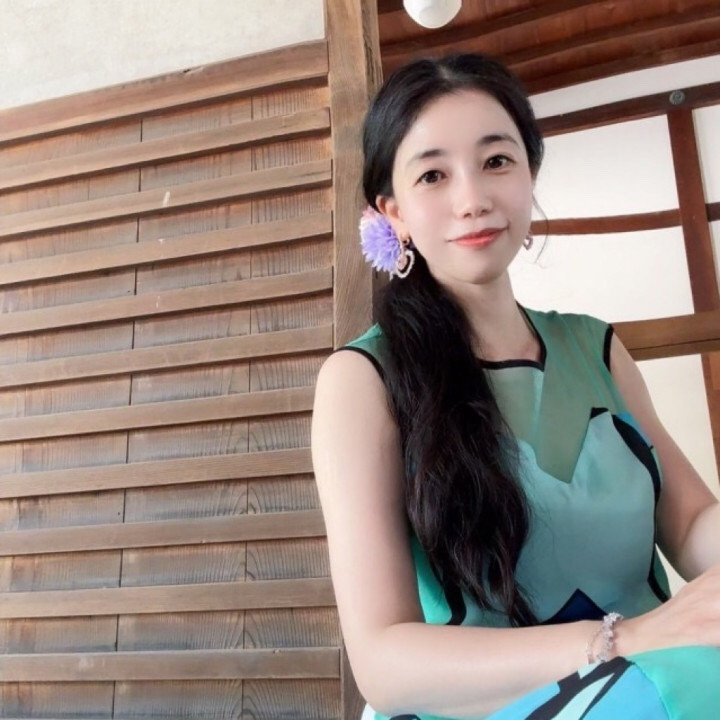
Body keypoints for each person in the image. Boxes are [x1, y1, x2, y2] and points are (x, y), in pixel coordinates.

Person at [311, 53, 720, 720]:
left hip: (659, 676)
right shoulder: (363, 380)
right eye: (434, 174)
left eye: (497, 161)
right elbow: (383, 662)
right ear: (394, 212)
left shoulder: (596, 348)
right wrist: (623, 640)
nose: (472, 198)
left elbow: (694, 521)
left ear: (530, 174)